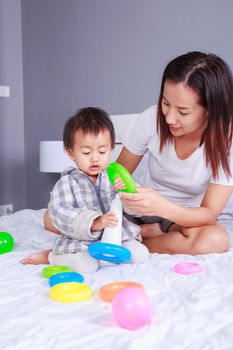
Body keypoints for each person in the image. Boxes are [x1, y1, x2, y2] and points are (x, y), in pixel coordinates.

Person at [115, 51, 233, 255]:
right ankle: (138, 232)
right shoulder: (151, 119)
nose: (169, 118)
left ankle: (134, 243)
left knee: (215, 240)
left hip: (183, 218)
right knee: (54, 217)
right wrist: (124, 192)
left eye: (183, 111)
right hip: (137, 208)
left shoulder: (227, 140)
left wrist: (161, 208)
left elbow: (208, 214)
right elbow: (117, 171)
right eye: (166, 103)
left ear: (211, 110)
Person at [21, 107, 149, 272]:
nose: (95, 158)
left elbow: (136, 210)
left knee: (140, 254)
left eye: (102, 151)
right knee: (87, 265)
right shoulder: (67, 183)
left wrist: (127, 193)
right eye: (86, 152)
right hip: (81, 241)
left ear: (111, 149)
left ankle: (106, 257)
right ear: (71, 152)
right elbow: (59, 213)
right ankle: (52, 256)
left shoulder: (114, 178)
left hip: (117, 238)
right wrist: (94, 222)